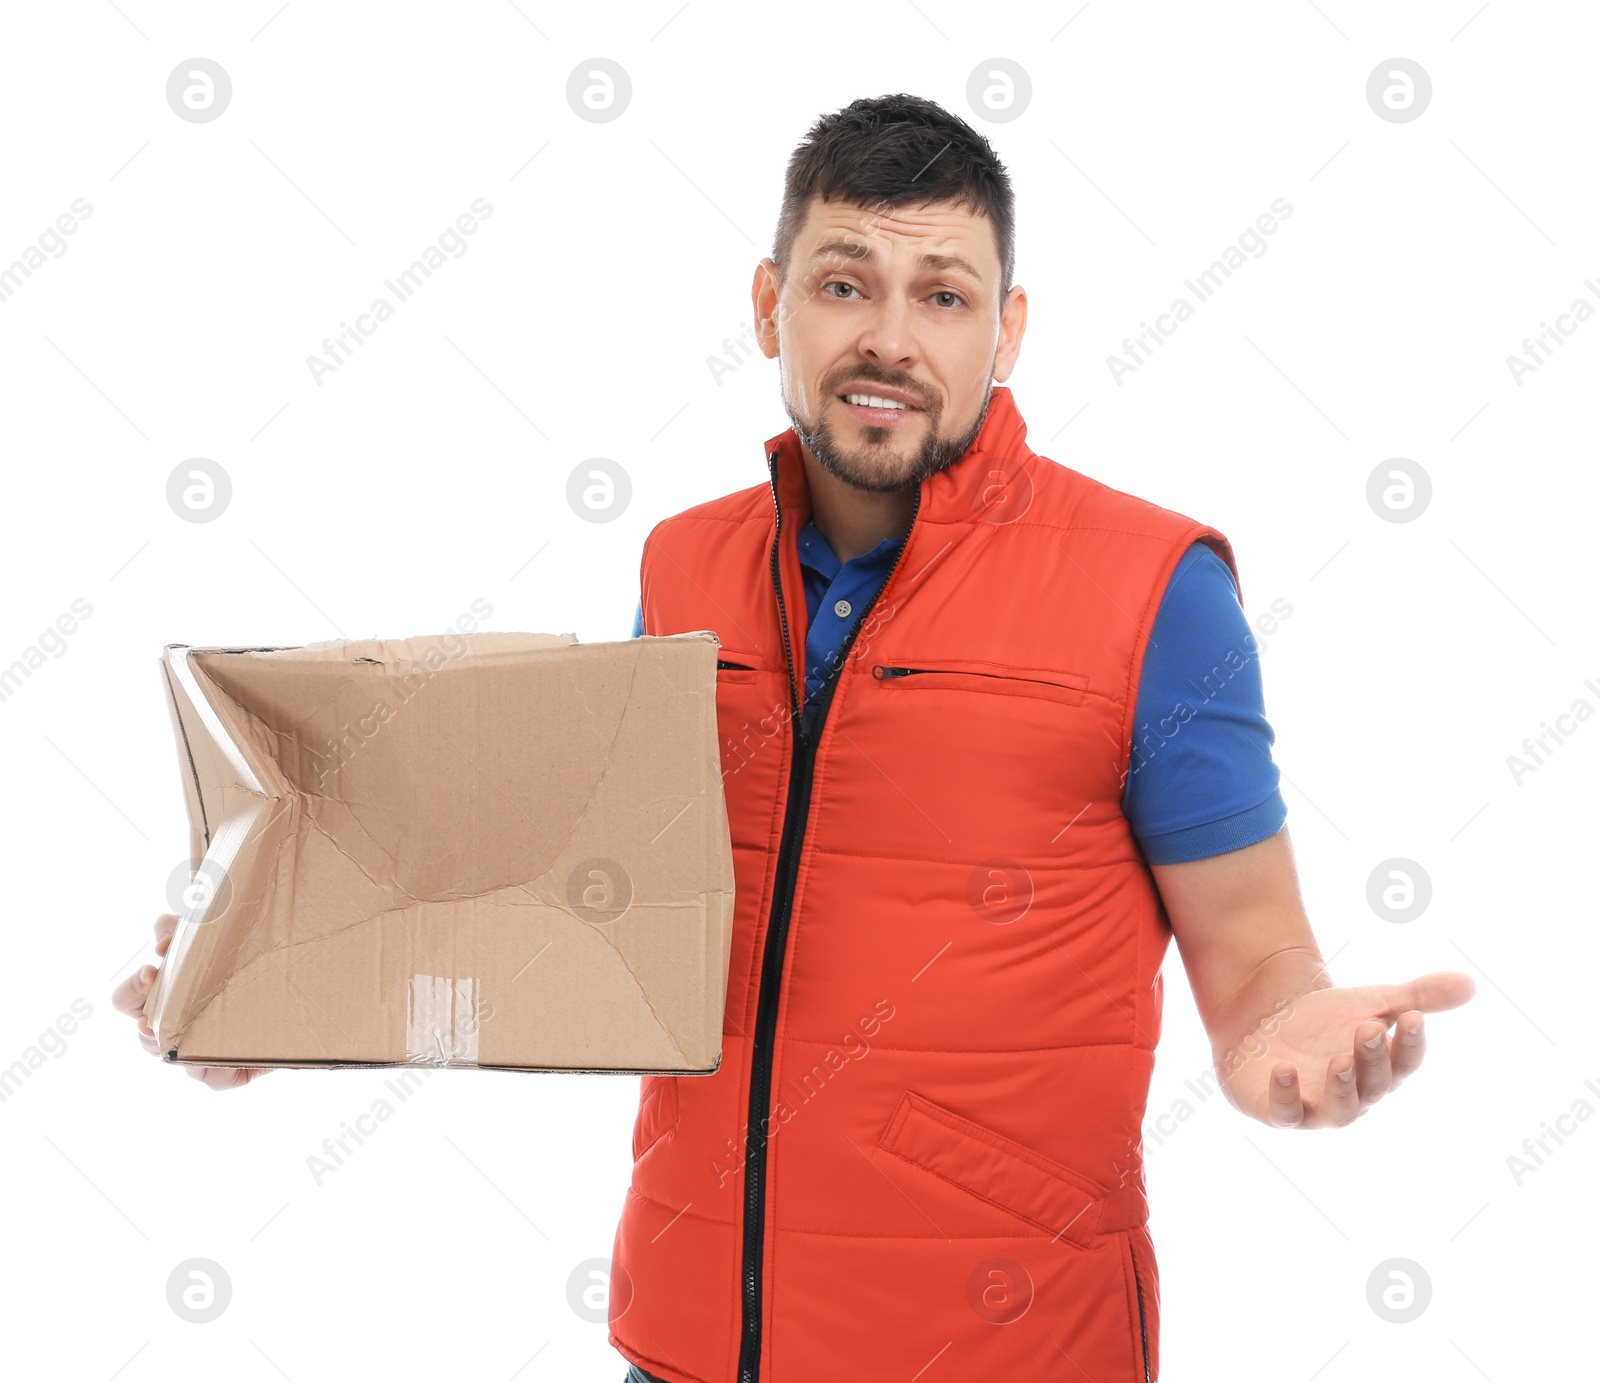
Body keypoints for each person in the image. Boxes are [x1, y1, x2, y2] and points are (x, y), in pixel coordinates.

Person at [116, 93, 1476, 1383]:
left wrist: (1301, 1039)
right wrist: (280, 983)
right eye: (844, 284)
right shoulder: (685, 566)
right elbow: (586, 916)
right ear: (771, 305)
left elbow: (1257, 970)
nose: (890, 337)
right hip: (687, 1337)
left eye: (941, 296)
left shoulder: (1154, 589)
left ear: (1007, 332)